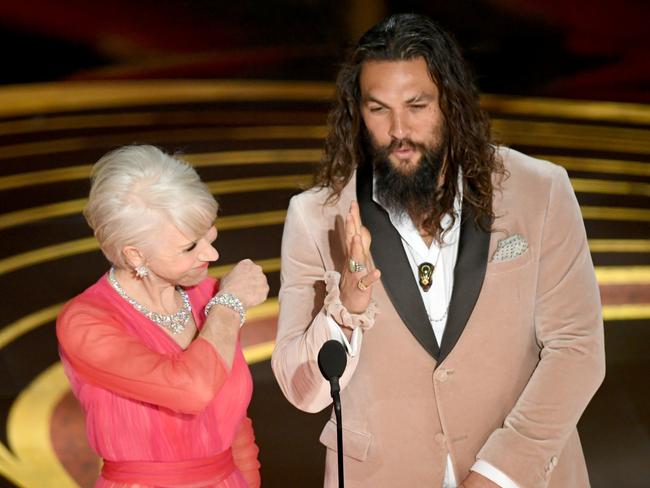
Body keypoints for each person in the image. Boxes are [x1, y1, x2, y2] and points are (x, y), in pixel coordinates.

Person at [272, 13, 605, 488]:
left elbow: (578, 350)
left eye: (417, 105)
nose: (399, 130)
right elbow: (302, 391)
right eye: (378, 109)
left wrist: (498, 473)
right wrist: (345, 309)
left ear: (450, 101)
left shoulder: (539, 190)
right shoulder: (316, 217)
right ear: (357, 113)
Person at [57, 145, 268, 487]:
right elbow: (192, 389)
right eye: (189, 247)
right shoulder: (86, 322)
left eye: (209, 235)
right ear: (135, 255)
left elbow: (236, 423)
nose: (212, 253)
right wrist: (229, 306)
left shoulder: (210, 296)